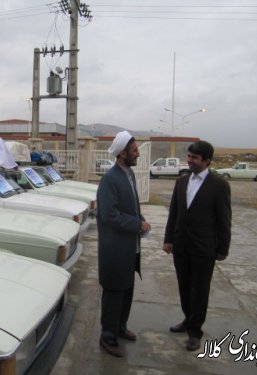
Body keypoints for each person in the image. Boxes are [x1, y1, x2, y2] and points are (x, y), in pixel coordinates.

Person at [162, 140, 232, 351]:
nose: (189, 161)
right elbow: (174, 213)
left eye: (194, 158)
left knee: (199, 290)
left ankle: (195, 331)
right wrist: (168, 239)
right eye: (189, 156)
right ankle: (187, 319)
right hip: (181, 246)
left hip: (204, 249)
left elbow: (224, 220)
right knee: (184, 286)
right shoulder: (182, 181)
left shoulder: (219, 185)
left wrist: (222, 249)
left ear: (207, 161)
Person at [96, 131, 151, 357]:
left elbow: (132, 208)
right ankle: (107, 337)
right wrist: (136, 224)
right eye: (135, 150)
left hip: (129, 247)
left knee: (126, 289)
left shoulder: (128, 174)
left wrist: (142, 220)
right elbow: (109, 215)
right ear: (122, 153)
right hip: (115, 248)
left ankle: (120, 327)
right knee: (114, 292)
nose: (137, 154)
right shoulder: (110, 179)